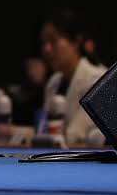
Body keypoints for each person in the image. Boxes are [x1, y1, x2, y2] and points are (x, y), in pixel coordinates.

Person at [35, 10, 106, 148]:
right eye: (43, 43)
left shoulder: (97, 80)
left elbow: (74, 136)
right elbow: (46, 132)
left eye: (53, 41)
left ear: (76, 41)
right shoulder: (54, 82)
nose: (47, 49)